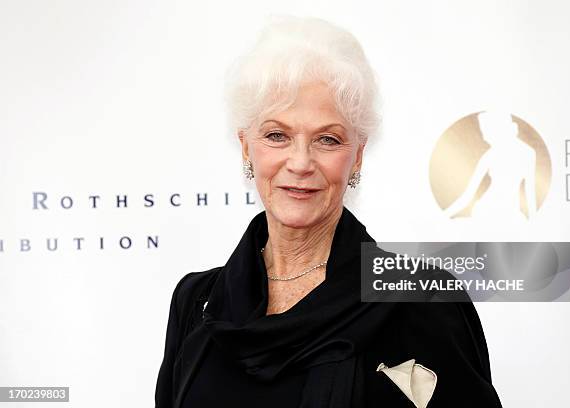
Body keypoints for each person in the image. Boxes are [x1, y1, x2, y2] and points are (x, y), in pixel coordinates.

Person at [155, 15, 503, 408]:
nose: (300, 162)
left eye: (327, 139)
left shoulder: (422, 301)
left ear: (357, 156)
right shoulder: (195, 302)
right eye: (276, 135)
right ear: (246, 147)